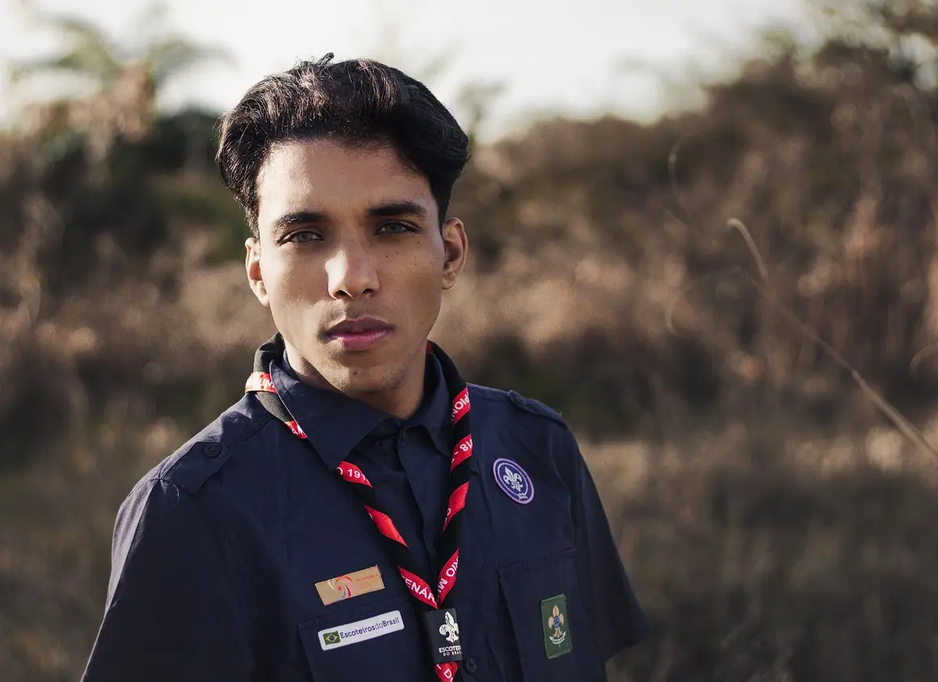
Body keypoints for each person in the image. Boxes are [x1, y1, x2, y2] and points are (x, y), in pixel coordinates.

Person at [80, 53, 649, 682]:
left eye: (393, 227)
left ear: (450, 253)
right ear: (258, 271)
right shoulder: (191, 510)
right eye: (305, 235)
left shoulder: (536, 446)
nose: (351, 278)